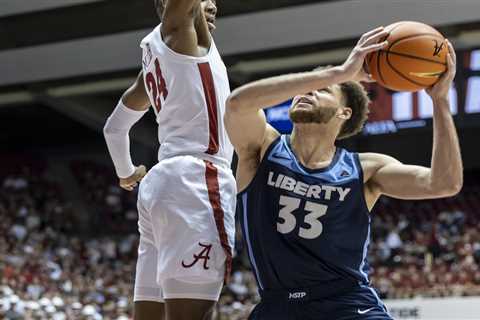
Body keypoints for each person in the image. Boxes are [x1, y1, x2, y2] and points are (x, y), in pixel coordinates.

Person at [224, 26, 462, 319]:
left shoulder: (366, 168)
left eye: (322, 90)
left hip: (348, 303)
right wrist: (336, 74)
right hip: (277, 304)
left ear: (344, 113)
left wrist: (440, 101)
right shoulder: (262, 148)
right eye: (305, 88)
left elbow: (444, 183)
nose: (306, 91)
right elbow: (236, 105)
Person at [103, 0, 236, 319]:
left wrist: (126, 171)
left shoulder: (154, 62)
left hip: (161, 189)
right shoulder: (180, 33)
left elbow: (114, 127)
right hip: (196, 182)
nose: (214, 5)